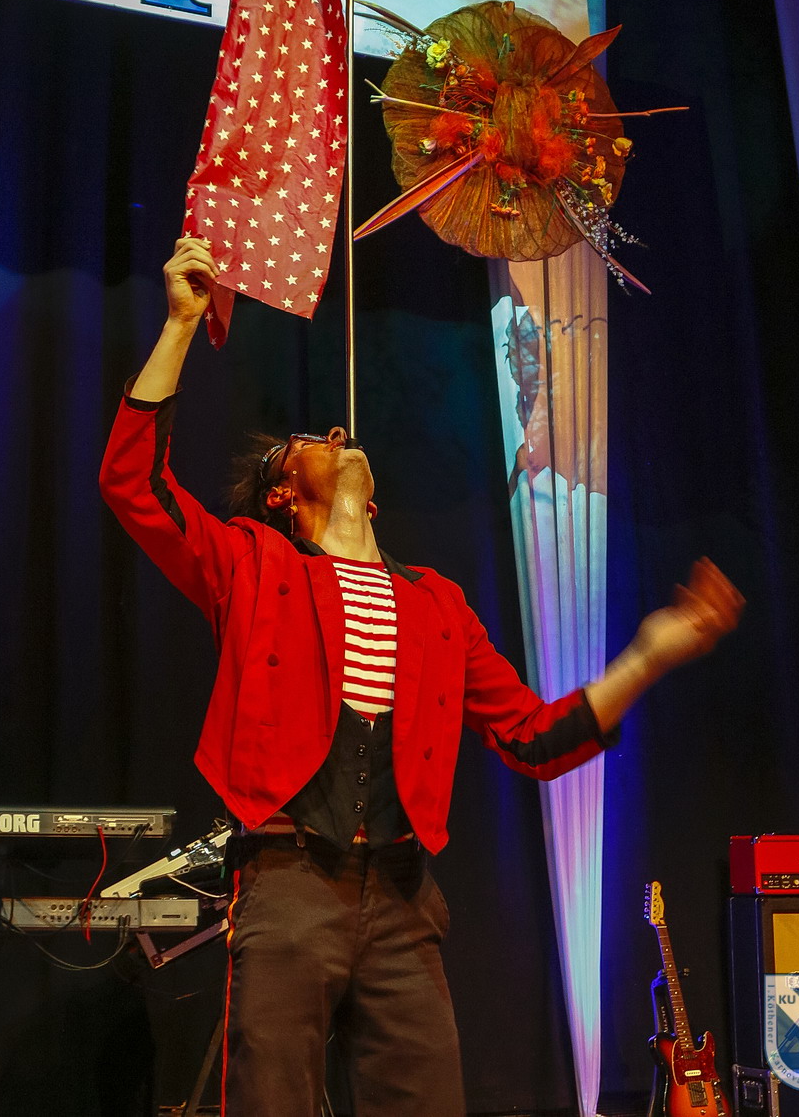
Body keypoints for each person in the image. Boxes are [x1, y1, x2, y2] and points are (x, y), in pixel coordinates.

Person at [100, 236, 744, 1117]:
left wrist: (648, 655)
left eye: (339, 434)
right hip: (288, 880)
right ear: (281, 494)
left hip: (404, 898)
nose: (337, 433)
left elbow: (533, 738)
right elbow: (134, 485)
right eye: (310, 440)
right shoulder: (253, 563)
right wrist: (179, 326)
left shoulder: (434, 603)